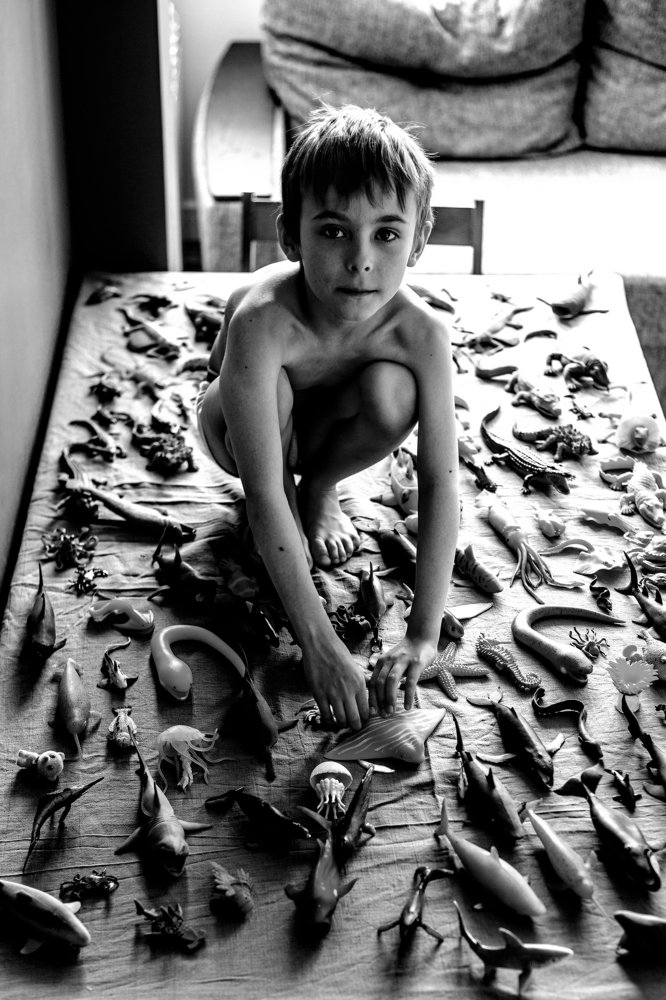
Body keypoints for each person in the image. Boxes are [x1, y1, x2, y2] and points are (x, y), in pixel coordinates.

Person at [198, 104, 459, 731]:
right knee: (273, 450)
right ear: (291, 236)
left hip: (326, 429)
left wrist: (422, 634)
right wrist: (318, 643)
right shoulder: (262, 319)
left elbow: (441, 481)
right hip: (243, 426)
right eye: (334, 231)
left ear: (419, 240)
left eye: (387, 234)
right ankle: (297, 500)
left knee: (394, 391)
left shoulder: (424, 334)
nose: (360, 260)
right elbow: (262, 490)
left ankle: (320, 485)